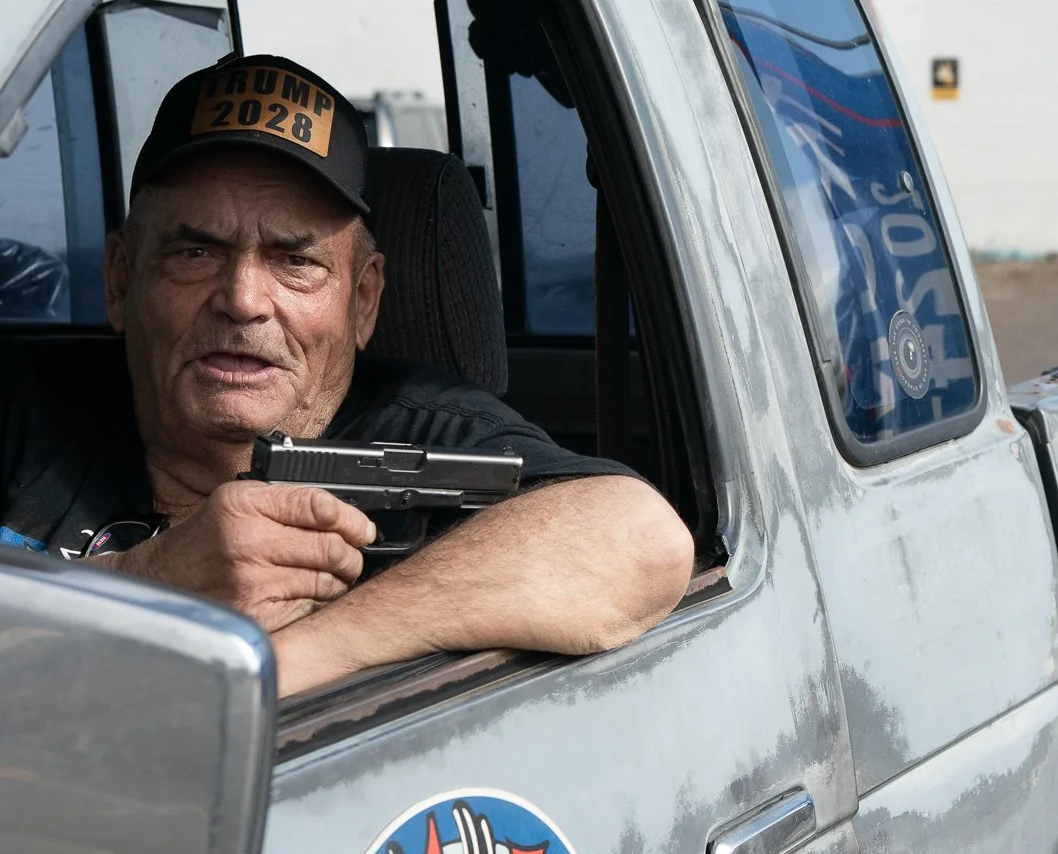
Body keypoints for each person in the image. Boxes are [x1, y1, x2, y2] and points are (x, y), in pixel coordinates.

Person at [0, 54, 694, 696]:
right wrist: (143, 584)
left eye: (295, 260)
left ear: (363, 300)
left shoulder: (430, 437)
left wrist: (292, 661)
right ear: (121, 280)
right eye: (195, 251)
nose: (243, 298)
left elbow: (640, 541)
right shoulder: (26, 404)